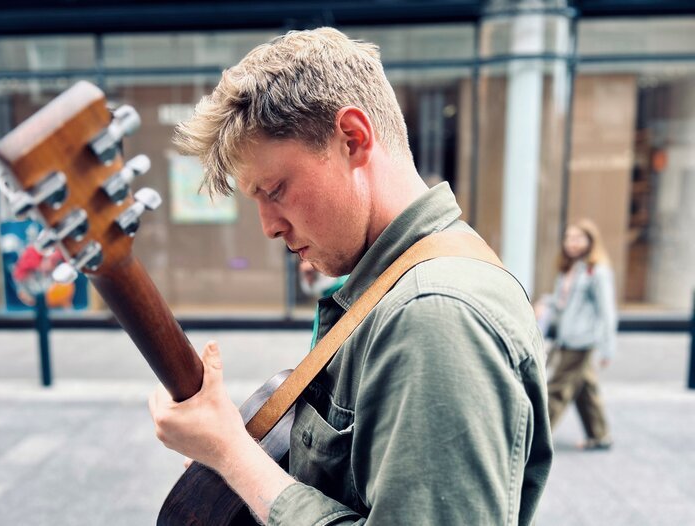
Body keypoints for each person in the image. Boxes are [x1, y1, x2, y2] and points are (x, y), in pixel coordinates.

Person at [148, 27, 552, 525]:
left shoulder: (435, 314)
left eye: (274, 189)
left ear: (353, 139)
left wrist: (232, 453)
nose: (269, 227)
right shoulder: (392, 286)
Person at [542, 218, 617, 450]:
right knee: (586, 390)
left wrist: (607, 348)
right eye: (568, 238)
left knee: (557, 390)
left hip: (581, 340)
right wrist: (547, 302)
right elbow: (564, 301)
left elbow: (607, 311)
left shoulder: (597, 271)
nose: (572, 243)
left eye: (578, 238)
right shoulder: (570, 268)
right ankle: (600, 436)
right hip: (566, 337)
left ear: (590, 241)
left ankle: (536, 442)